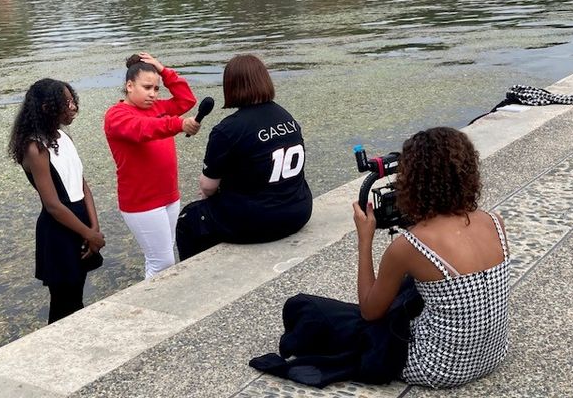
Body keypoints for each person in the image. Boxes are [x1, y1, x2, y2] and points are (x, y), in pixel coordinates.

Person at [251, 127, 510, 389]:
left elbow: (370, 311)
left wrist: (365, 240)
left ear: (413, 181)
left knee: (307, 308)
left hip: (438, 367)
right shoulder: (494, 222)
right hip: (492, 355)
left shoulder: (410, 245)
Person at [176, 54, 313, 261]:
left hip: (258, 221)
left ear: (230, 87)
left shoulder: (228, 129)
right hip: (299, 210)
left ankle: (197, 275)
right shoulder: (287, 118)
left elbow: (207, 187)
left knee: (189, 218)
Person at [8, 78, 106, 324]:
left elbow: (82, 185)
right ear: (46, 108)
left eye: (73, 101)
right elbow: (52, 204)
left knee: (77, 295)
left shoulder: (64, 137)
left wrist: (94, 229)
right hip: (59, 230)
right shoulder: (35, 148)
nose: (73, 107)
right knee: (64, 302)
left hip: (81, 223)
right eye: (67, 102)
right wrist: (88, 233)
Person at [104, 52, 200, 279]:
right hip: (142, 202)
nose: (153, 94)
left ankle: (160, 302)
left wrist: (163, 69)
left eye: (156, 89)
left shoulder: (159, 107)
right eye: (147, 87)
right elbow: (143, 129)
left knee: (163, 256)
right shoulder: (116, 115)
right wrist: (178, 123)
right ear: (129, 85)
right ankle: (149, 308)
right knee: (162, 261)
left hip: (169, 196)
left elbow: (187, 100)